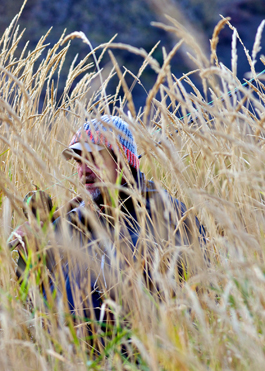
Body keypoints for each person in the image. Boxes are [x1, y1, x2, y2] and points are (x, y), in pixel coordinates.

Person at [10, 115, 206, 328]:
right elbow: (33, 301)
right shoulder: (79, 217)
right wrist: (29, 256)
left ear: (122, 160)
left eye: (92, 159)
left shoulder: (166, 214)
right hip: (71, 353)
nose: (83, 171)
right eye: (78, 161)